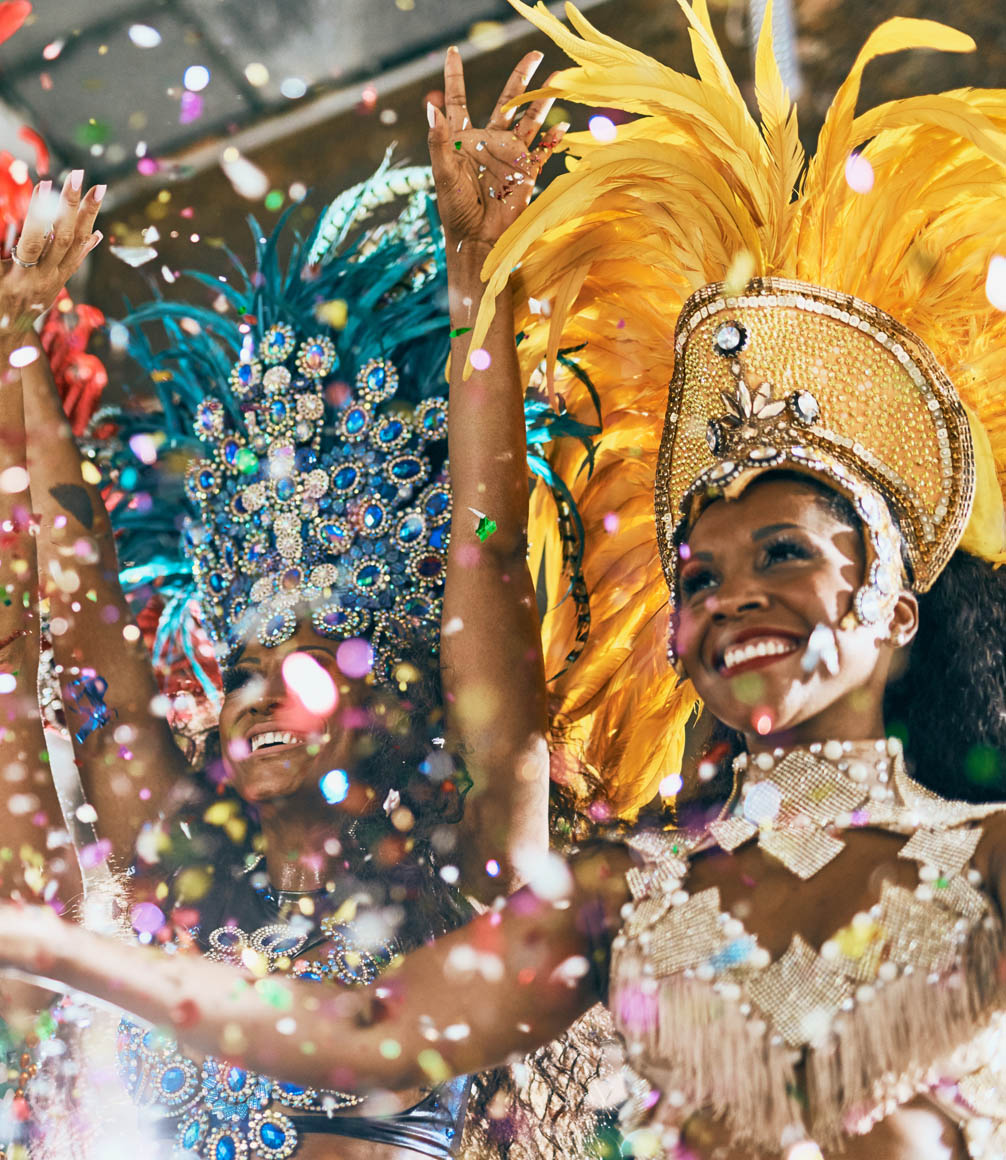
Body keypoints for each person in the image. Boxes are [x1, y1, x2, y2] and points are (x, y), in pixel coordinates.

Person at [7, 3, 1006, 1158]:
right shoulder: (621, 897)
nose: (731, 595)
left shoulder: (976, 862)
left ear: (892, 602)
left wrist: (479, 288)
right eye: (699, 575)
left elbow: (486, 568)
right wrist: (50, 946)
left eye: (784, 553)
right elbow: (358, 1024)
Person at [5, 109, 612, 1159]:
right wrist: (17, 347)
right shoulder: (176, 874)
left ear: (393, 699)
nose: (254, 691)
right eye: (240, 669)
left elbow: (488, 552)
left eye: (302, 664)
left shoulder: (467, 884)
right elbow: (84, 618)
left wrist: (481, 281)